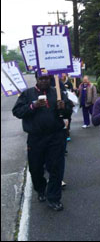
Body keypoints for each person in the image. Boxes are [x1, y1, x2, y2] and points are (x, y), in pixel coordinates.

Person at [12, 72, 73, 211]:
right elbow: (17, 111)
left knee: (56, 168)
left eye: (47, 78)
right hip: (36, 138)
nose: (44, 81)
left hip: (56, 137)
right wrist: (33, 106)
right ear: (36, 79)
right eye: (41, 79)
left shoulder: (57, 93)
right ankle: (41, 189)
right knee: (36, 169)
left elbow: (69, 112)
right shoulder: (27, 94)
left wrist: (64, 107)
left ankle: (54, 198)